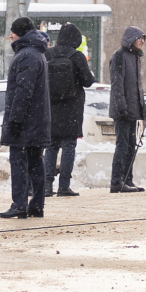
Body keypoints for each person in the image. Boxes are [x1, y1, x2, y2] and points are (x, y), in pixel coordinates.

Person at [0, 17, 50, 219]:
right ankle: (36, 205)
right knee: (36, 161)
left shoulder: (26, 55)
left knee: (19, 161)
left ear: (19, 33)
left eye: (12, 32)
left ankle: (19, 204)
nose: (10, 36)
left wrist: (15, 120)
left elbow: (23, 90)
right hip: (36, 120)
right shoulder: (36, 52)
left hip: (26, 122)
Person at [44, 23, 96, 197]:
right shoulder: (77, 56)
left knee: (51, 147)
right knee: (68, 146)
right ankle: (64, 186)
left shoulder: (48, 54)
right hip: (72, 108)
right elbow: (87, 81)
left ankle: (46, 185)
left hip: (51, 108)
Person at [107, 26, 146, 194]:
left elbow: (137, 86)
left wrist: (141, 107)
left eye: (143, 38)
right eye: (139, 38)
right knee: (122, 146)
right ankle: (117, 181)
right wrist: (121, 106)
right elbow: (117, 84)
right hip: (123, 110)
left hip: (132, 110)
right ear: (131, 39)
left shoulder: (134, 58)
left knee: (131, 146)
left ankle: (127, 179)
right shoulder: (120, 56)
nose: (142, 41)